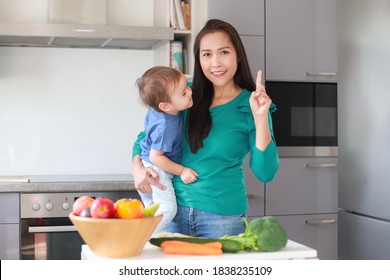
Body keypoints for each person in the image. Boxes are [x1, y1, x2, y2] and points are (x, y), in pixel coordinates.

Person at [132, 19, 279, 238]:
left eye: (224, 52)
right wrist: (137, 168)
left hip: (222, 220)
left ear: (238, 54)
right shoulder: (184, 96)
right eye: (207, 54)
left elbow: (265, 172)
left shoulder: (253, 104)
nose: (216, 63)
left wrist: (260, 117)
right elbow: (145, 138)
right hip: (171, 213)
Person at [135, 66, 198, 234]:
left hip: (146, 164)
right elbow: (157, 157)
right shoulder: (166, 125)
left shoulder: (154, 108)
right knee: (168, 209)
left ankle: (143, 233)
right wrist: (182, 170)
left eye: (187, 87)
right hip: (157, 170)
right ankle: (141, 237)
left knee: (151, 209)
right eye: (184, 93)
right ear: (165, 106)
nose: (190, 92)